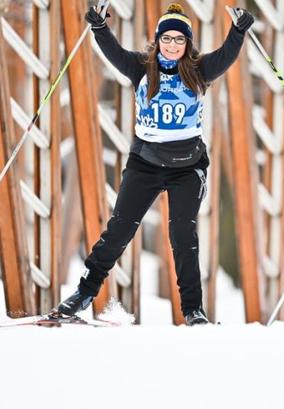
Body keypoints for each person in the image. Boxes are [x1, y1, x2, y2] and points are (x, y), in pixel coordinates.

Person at [54, 3, 254, 325]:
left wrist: (239, 29)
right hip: (145, 163)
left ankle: (192, 310)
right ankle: (84, 292)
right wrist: (99, 28)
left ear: (187, 43)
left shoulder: (199, 69)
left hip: (187, 168)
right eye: (167, 38)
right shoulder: (141, 67)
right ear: (158, 39)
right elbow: (113, 51)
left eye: (179, 39)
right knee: (118, 231)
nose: (172, 45)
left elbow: (226, 54)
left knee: (182, 236)